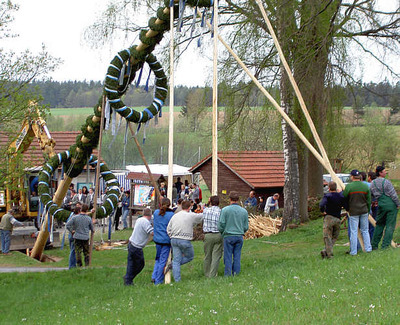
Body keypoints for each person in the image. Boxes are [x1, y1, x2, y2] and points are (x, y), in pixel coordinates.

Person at [167, 200, 203, 282]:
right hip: (184, 240)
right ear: (190, 207)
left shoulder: (175, 216)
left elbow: (168, 228)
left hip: (174, 239)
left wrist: (171, 236)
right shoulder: (190, 216)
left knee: (176, 259)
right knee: (190, 256)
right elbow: (201, 217)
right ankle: (172, 265)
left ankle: (177, 280)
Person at [218, 191, 249, 276]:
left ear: (230, 199)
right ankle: (236, 273)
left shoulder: (225, 210)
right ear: (238, 199)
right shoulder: (244, 211)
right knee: (237, 256)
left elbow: (221, 224)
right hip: (239, 236)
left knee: (227, 256)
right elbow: (246, 226)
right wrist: (241, 231)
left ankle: (228, 274)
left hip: (228, 235)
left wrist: (222, 232)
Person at [370, 166, 400, 250]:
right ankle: (385, 246)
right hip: (391, 204)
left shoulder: (373, 183)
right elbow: (393, 194)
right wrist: (398, 204)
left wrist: (374, 201)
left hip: (381, 205)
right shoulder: (387, 182)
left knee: (379, 224)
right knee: (390, 226)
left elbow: (371, 195)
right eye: (384, 171)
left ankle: (374, 245)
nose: (386, 172)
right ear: (380, 173)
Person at [343, 169, 372, 255]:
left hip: (353, 211)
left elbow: (345, 198)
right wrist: (368, 209)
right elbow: (369, 200)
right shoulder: (365, 186)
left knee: (354, 231)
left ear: (352, 177)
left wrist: (347, 208)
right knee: (365, 230)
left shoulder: (349, 187)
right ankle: (368, 248)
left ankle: (353, 251)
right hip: (364, 211)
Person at [123, 208, 154, 286]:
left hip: (131, 243)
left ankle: (128, 280)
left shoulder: (139, 220)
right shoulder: (146, 223)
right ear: (150, 215)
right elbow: (152, 233)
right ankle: (129, 278)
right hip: (137, 246)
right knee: (140, 265)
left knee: (131, 264)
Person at [319, 181, 346, 258]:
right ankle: (326, 250)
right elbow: (345, 205)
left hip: (329, 218)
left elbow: (321, 204)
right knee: (335, 236)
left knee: (327, 236)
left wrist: (323, 211)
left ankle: (329, 254)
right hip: (337, 218)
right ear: (336, 187)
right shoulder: (341, 196)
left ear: (329, 188)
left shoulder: (327, 196)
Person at [151, 198, 174, 285]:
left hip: (157, 240)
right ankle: (158, 280)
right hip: (166, 240)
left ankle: (154, 275)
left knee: (158, 259)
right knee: (163, 261)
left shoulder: (156, 213)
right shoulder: (171, 215)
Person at [203, 195, 223, 278]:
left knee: (208, 255)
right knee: (216, 255)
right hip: (218, 234)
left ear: (210, 202)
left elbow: (204, 209)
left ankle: (207, 273)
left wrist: (208, 203)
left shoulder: (205, 211)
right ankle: (213, 274)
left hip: (208, 234)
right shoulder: (221, 211)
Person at [67, 204, 82, 269]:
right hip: (73, 236)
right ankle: (72, 266)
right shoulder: (74, 218)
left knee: (74, 250)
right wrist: (72, 231)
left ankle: (74, 265)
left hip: (73, 235)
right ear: (78, 212)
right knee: (73, 251)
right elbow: (67, 225)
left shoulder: (73, 216)